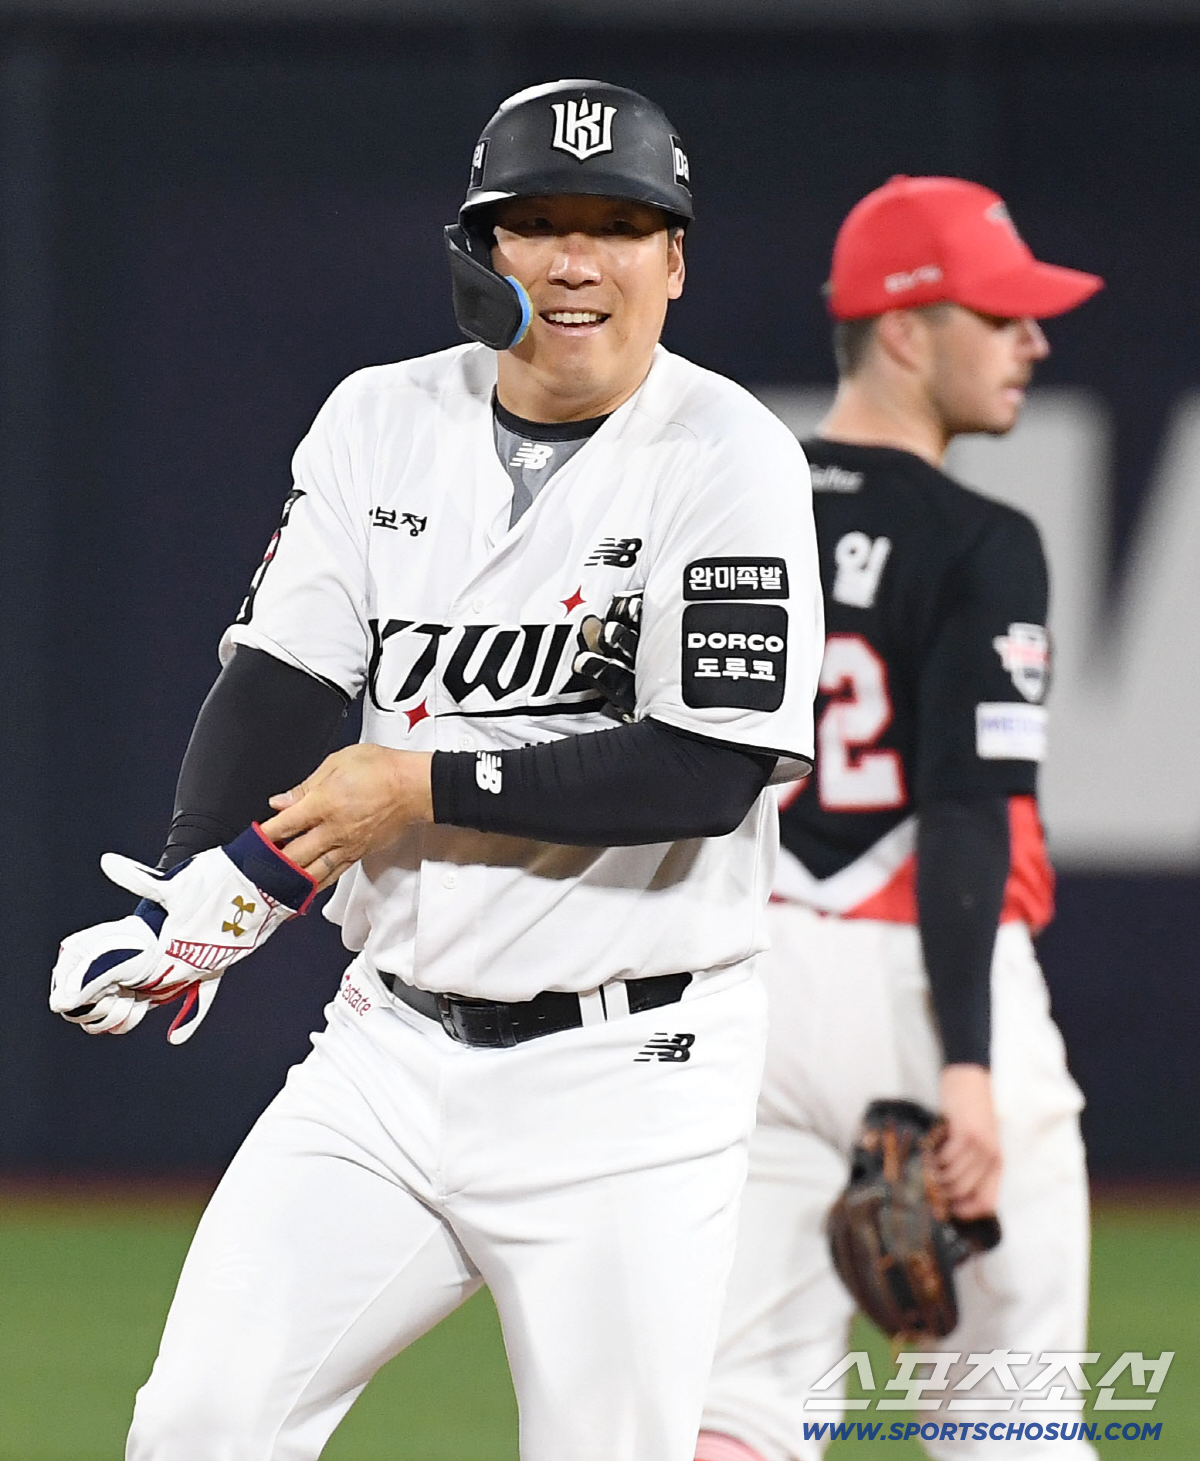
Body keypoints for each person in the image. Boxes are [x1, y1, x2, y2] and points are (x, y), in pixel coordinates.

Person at [49, 79, 824, 1461]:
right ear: (482, 251)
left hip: (632, 1076)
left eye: (621, 228)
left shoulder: (730, 455)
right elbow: (284, 680)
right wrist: (191, 884)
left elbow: (710, 767)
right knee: (199, 1424)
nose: (577, 262)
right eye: (539, 223)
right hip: (389, 1052)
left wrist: (416, 786)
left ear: (675, 263)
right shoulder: (380, 417)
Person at [695, 176, 1103, 1461]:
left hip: (744, 977)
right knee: (1009, 1421)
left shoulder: (726, 505)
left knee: (735, 1408)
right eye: (1003, 314)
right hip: (924, 979)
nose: (1034, 341)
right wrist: (964, 1067)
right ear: (908, 331)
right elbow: (970, 814)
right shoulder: (979, 539)